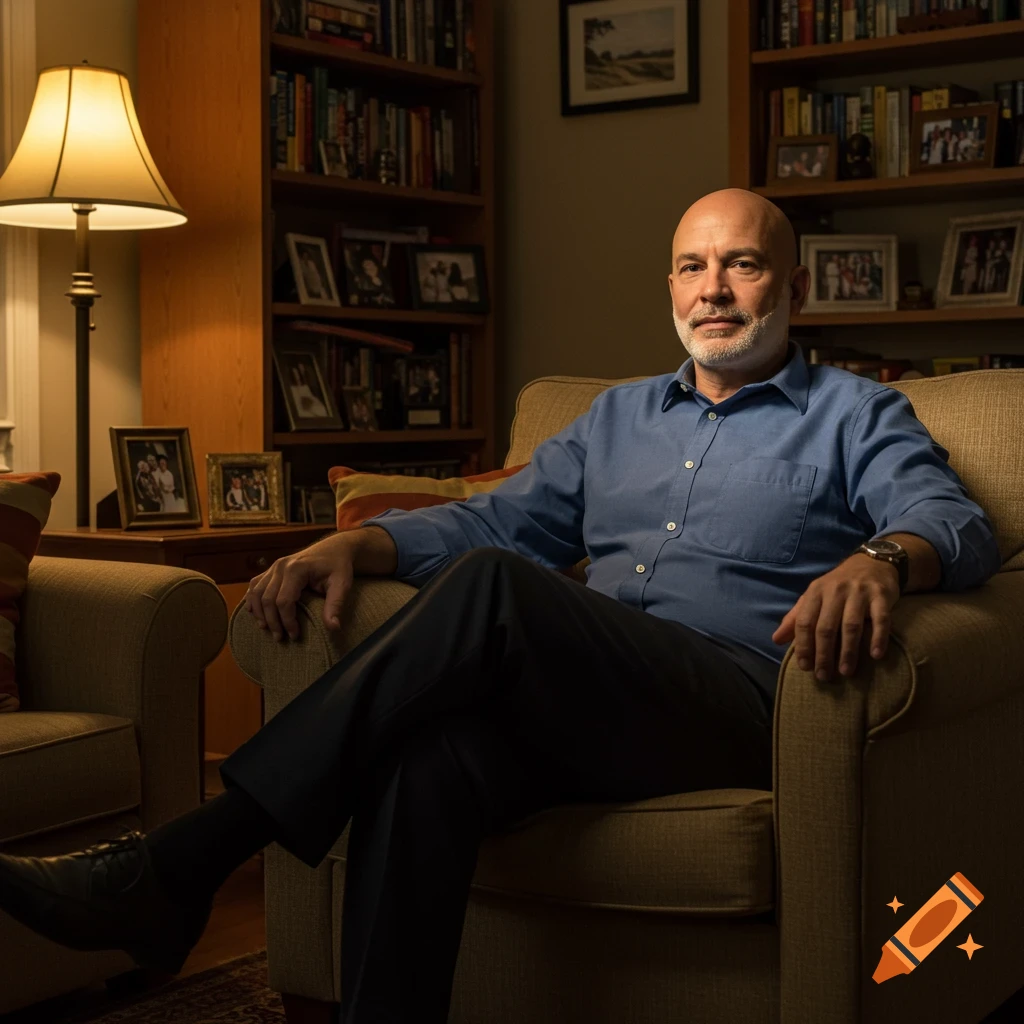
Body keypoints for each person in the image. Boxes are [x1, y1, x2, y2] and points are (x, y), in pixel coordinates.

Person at [0, 188, 1001, 1024]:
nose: (714, 289)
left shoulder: (856, 412)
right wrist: (361, 539)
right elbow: (492, 524)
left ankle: (182, 863)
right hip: (597, 709)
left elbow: (951, 522)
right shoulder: (615, 417)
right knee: (430, 760)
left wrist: (881, 558)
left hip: (746, 707)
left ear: (794, 286)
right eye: (693, 267)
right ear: (668, 287)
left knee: (495, 594)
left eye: (740, 264)